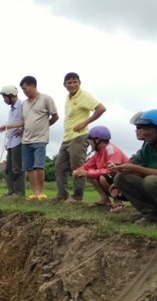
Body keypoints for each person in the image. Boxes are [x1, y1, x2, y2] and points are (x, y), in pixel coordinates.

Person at [0, 76, 58, 201]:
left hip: (38, 138)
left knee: (37, 166)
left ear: (32, 86)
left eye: (25, 88)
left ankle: (37, 192)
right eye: (22, 89)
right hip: (25, 139)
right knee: (27, 167)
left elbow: (54, 116)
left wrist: (44, 126)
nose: (24, 92)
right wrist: (8, 126)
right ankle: (31, 192)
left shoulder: (45, 99)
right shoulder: (25, 103)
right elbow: (23, 121)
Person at [55, 72, 106, 203]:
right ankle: (62, 195)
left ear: (79, 83)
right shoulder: (68, 98)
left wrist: (85, 123)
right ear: (64, 85)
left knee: (77, 167)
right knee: (59, 167)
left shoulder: (84, 95)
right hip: (67, 137)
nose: (72, 85)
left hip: (79, 136)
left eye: (75, 82)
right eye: (69, 82)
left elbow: (101, 108)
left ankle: (77, 197)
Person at [72, 126, 128, 209]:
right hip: (116, 182)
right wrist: (78, 171)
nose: (89, 143)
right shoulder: (99, 152)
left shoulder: (111, 150)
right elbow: (87, 166)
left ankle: (118, 201)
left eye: (90, 140)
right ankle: (105, 199)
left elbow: (111, 170)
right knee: (91, 175)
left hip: (125, 184)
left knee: (102, 177)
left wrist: (87, 172)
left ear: (97, 140)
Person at [0, 85, 25, 197]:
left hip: (19, 142)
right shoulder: (11, 110)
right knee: (8, 169)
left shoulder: (22, 105)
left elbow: (27, 120)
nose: (4, 100)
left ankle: (19, 193)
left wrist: (22, 129)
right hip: (11, 142)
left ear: (10, 95)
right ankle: (11, 191)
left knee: (17, 168)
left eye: (5, 97)